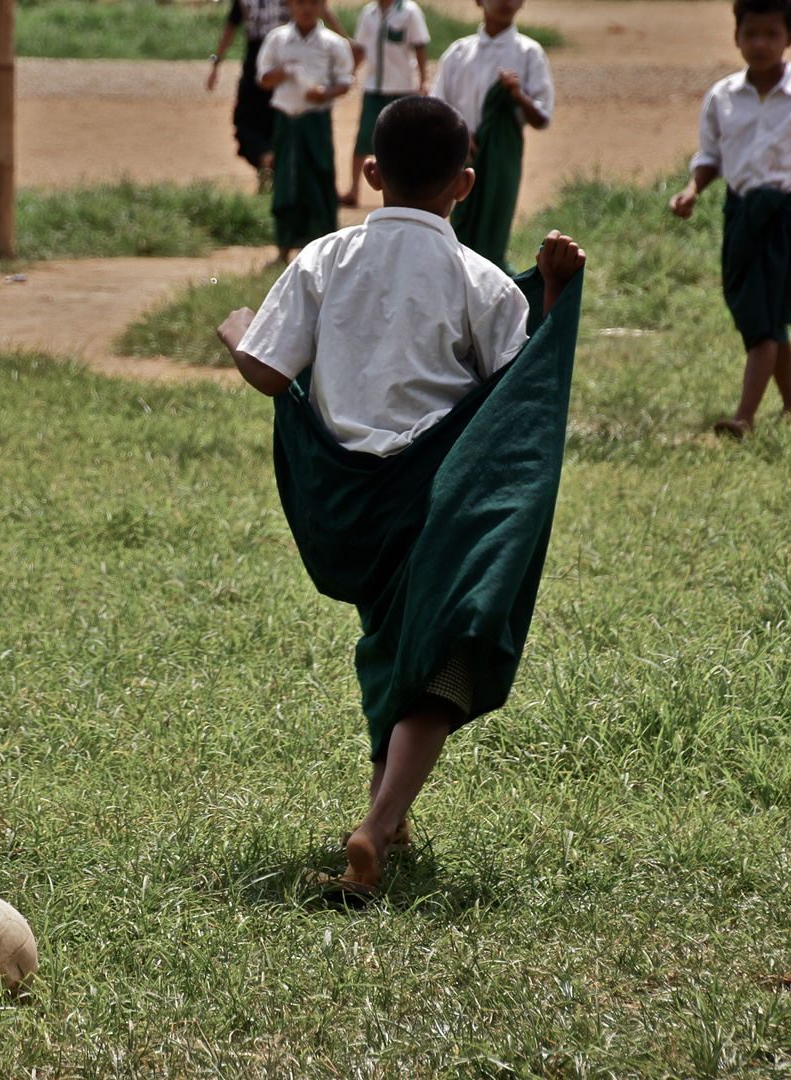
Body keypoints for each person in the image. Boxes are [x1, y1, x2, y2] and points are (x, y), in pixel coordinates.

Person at [215, 96, 586, 903]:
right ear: (466, 183)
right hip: (437, 505)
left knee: (389, 646)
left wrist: (239, 333)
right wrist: (553, 296)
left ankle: (392, 813)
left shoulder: (321, 259)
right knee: (442, 667)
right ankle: (377, 827)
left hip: (349, 509)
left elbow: (272, 375)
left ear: (372, 173)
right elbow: (519, 398)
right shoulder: (481, 282)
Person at [668, 0, 791, 438]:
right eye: (751, 34)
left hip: (787, 216)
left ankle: (744, 418)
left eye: (772, 34)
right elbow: (710, 156)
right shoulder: (722, 97)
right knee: (762, 310)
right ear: (737, 36)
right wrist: (692, 189)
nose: (761, 43)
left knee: (764, 320)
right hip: (741, 213)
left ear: (790, 38)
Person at [430, 0, 553, 271]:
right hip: (463, 153)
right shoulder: (459, 52)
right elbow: (437, 105)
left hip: (503, 154)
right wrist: (458, 132)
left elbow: (542, 117)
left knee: (496, 220)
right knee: (460, 221)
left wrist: (517, 95)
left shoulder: (528, 52)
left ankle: (491, 281)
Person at [208, 0, 349, 192]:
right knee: (259, 118)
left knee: (261, 118)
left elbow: (232, 23)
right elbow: (233, 21)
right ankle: (272, 162)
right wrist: (345, 37)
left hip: (286, 51)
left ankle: (272, 163)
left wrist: (218, 61)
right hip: (273, 53)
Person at [257, 0, 355, 262]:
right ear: (289, 5)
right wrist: (284, 71)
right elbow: (263, 78)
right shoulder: (278, 40)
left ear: (323, 5)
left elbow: (346, 81)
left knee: (319, 176)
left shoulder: (333, 43)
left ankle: (323, 249)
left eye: (313, 2)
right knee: (287, 182)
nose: (306, 9)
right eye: (300, 2)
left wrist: (324, 93)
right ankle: (284, 247)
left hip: (316, 121)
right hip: (286, 121)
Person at [341, 0, 430, 208]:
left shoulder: (409, 11)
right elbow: (361, 50)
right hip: (374, 89)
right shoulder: (368, 13)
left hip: (402, 88)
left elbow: (420, 46)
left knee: (405, 142)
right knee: (364, 137)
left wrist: (424, 79)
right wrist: (350, 73)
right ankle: (354, 190)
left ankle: (410, 191)